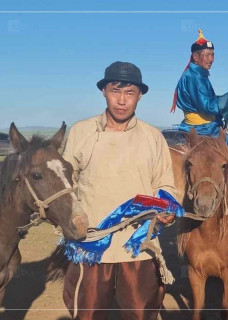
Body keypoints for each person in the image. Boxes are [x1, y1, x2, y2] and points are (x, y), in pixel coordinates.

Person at [61, 61, 177, 320]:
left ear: (140, 96)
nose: (121, 101)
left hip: (137, 247)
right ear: (103, 91)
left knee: (139, 314)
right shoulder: (81, 131)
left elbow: (165, 185)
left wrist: (166, 209)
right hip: (91, 247)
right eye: (115, 91)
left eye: (130, 93)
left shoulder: (153, 137)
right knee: (88, 315)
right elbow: (66, 185)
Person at [170, 29, 228, 143]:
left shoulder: (197, 75)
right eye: (207, 55)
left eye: (212, 55)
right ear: (195, 56)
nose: (211, 59)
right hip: (202, 129)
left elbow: (208, 100)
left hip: (204, 126)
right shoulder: (193, 77)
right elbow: (207, 106)